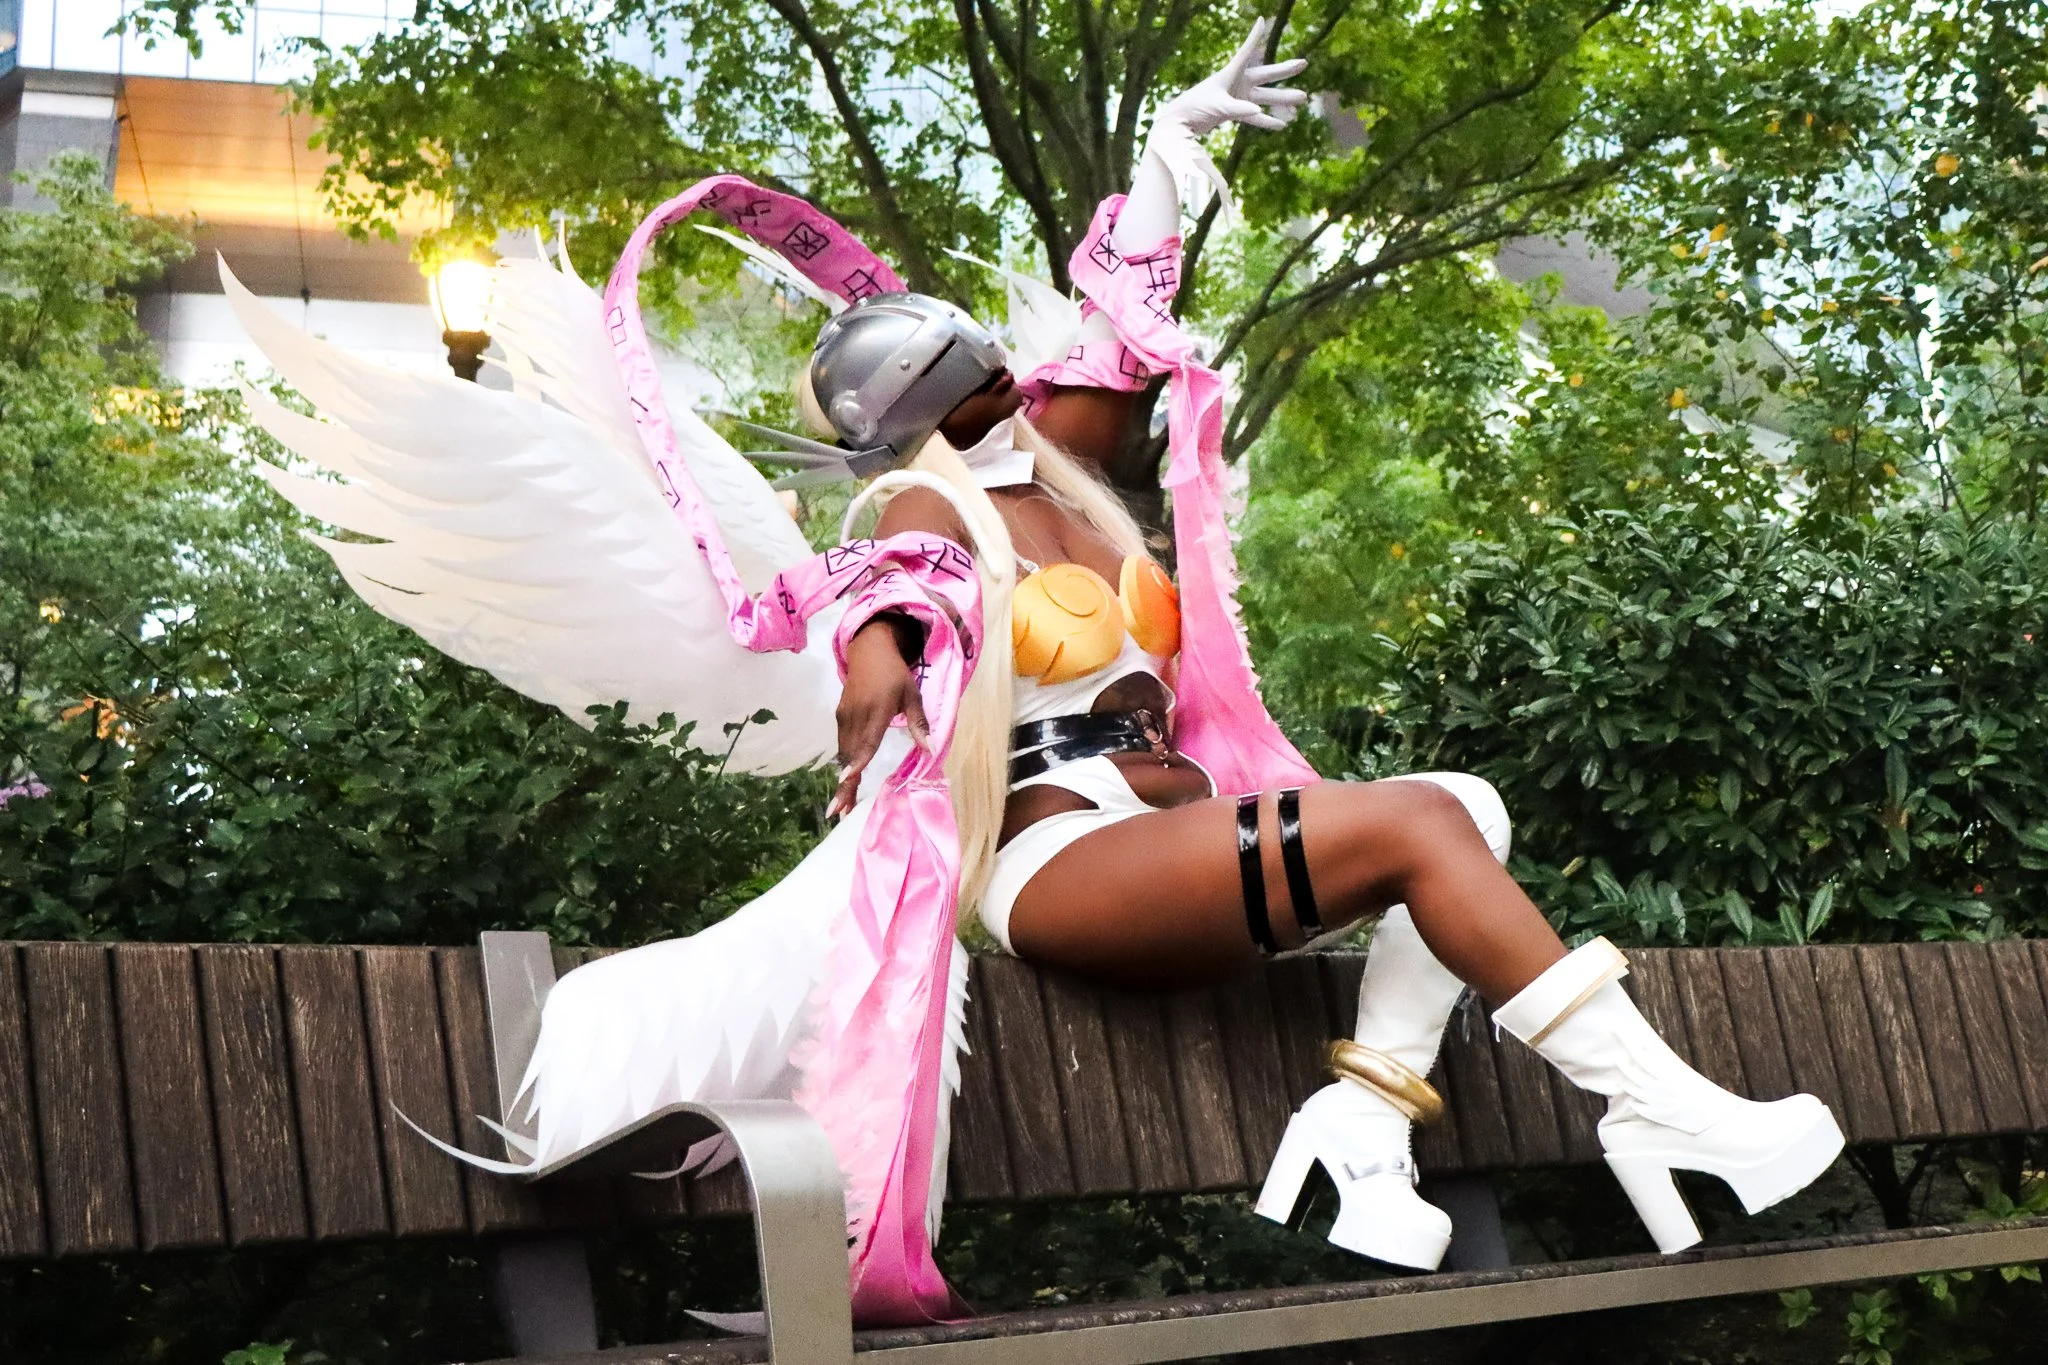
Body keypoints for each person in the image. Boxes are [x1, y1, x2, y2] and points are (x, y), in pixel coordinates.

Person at [227, 19, 1843, 1324]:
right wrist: (871, 666)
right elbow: (871, 622)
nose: (1021, 388)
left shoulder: (1051, 483)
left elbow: (1119, 332)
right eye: (981, 380)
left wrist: (1165, 159)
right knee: (1424, 821)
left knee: (1460, 806)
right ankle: (1662, 1112)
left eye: (1006, 374)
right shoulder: (909, 522)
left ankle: (1361, 1128)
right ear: (926, 411)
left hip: (1170, 833)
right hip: (1058, 865)